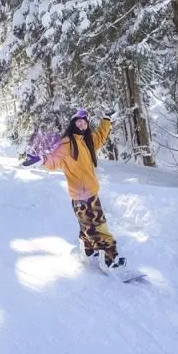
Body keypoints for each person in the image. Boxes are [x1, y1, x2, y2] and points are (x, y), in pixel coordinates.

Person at [22, 108, 125, 270]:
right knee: (98, 226)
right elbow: (55, 160)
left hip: (89, 192)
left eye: (85, 123)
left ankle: (88, 251)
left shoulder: (87, 141)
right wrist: (41, 159)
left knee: (87, 225)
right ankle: (110, 259)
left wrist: (106, 120)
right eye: (79, 122)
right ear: (73, 124)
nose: (82, 125)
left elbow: (100, 135)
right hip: (82, 195)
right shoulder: (67, 144)